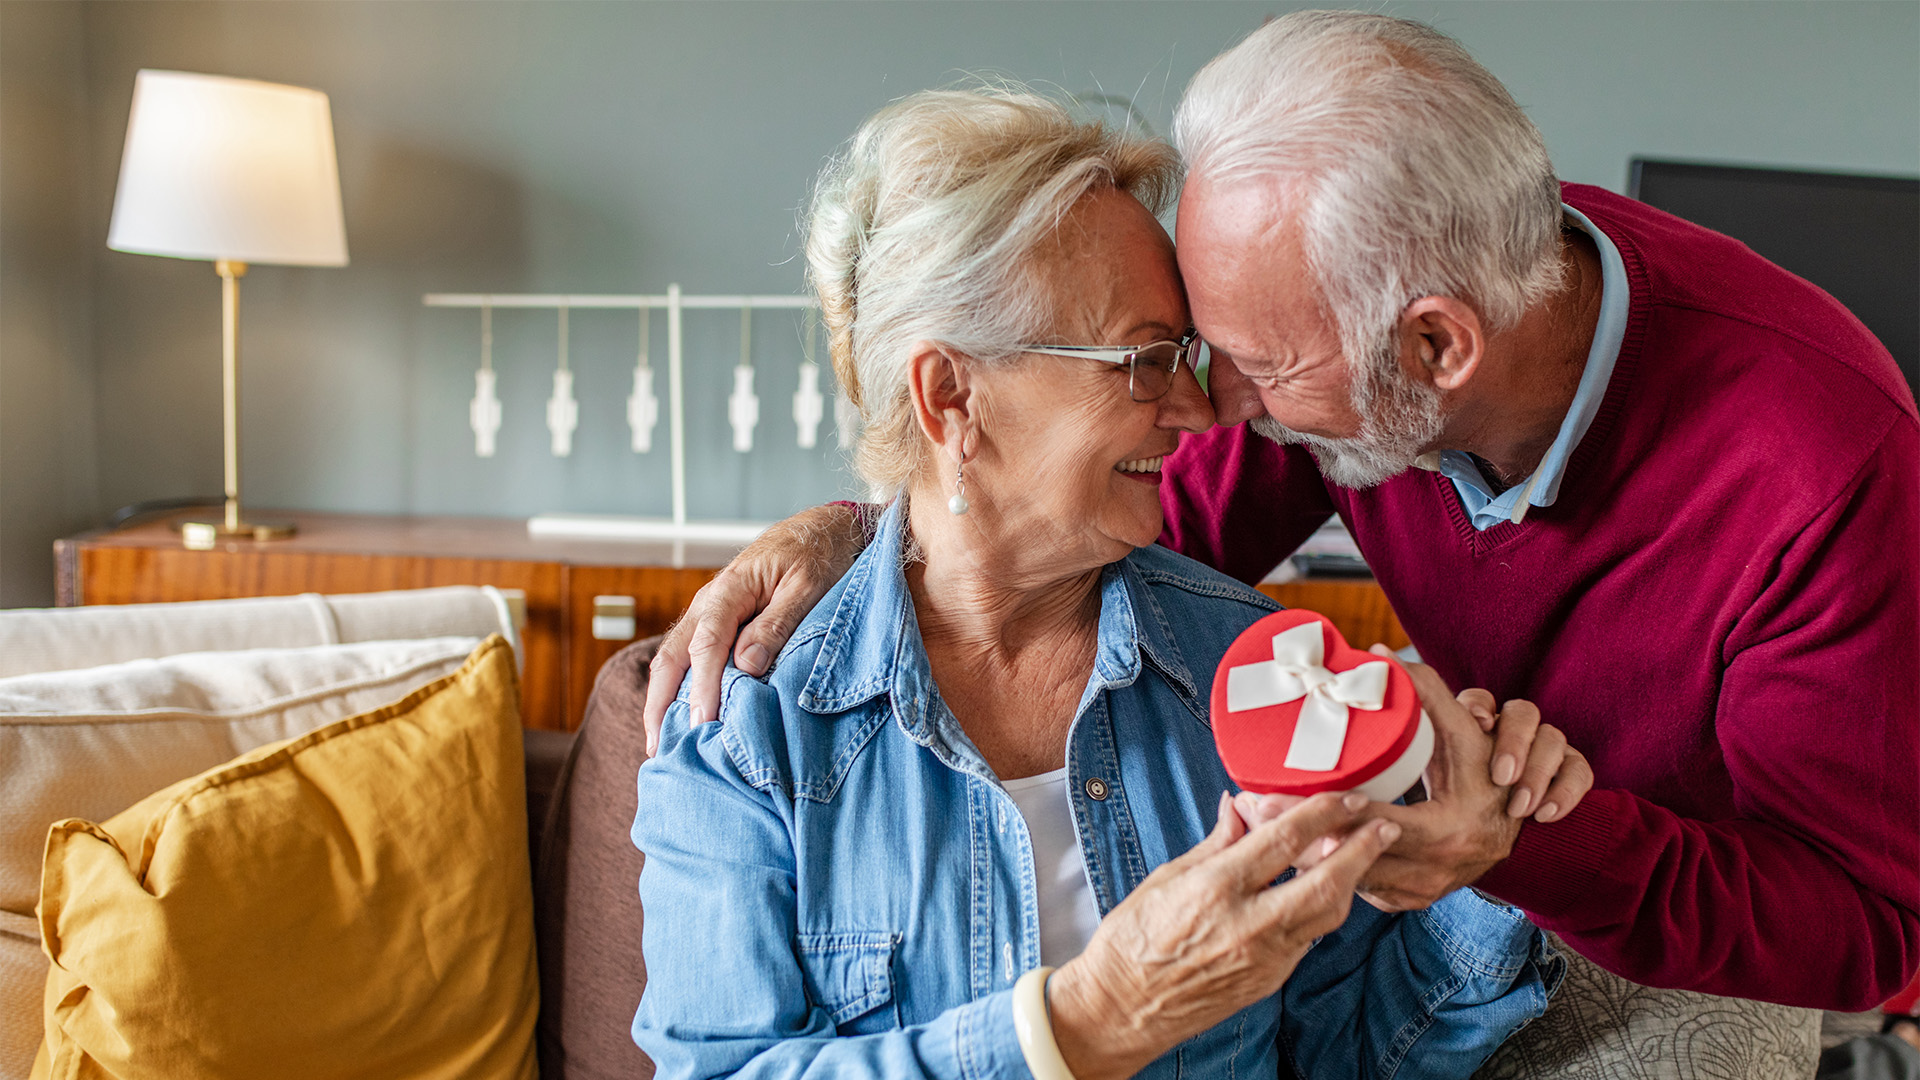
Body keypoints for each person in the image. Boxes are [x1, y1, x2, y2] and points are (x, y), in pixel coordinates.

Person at [643, 11, 1919, 1012]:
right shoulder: (1364, 299)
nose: (1211, 406)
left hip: (1673, 900)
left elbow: (1875, 929)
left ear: (1434, 348)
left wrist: (1524, 845)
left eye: (1239, 364)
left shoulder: (1828, 475)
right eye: (1178, 354)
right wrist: (868, 530)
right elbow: (1079, 515)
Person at [632, 88, 1580, 1080]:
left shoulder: (1256, 675)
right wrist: (1090, 1020)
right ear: (951, 395)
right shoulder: (749, 728)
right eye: (1143, 360)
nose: (1198, 411)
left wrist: (1493, 874)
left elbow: (1343, 1051)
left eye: (1185, 356)